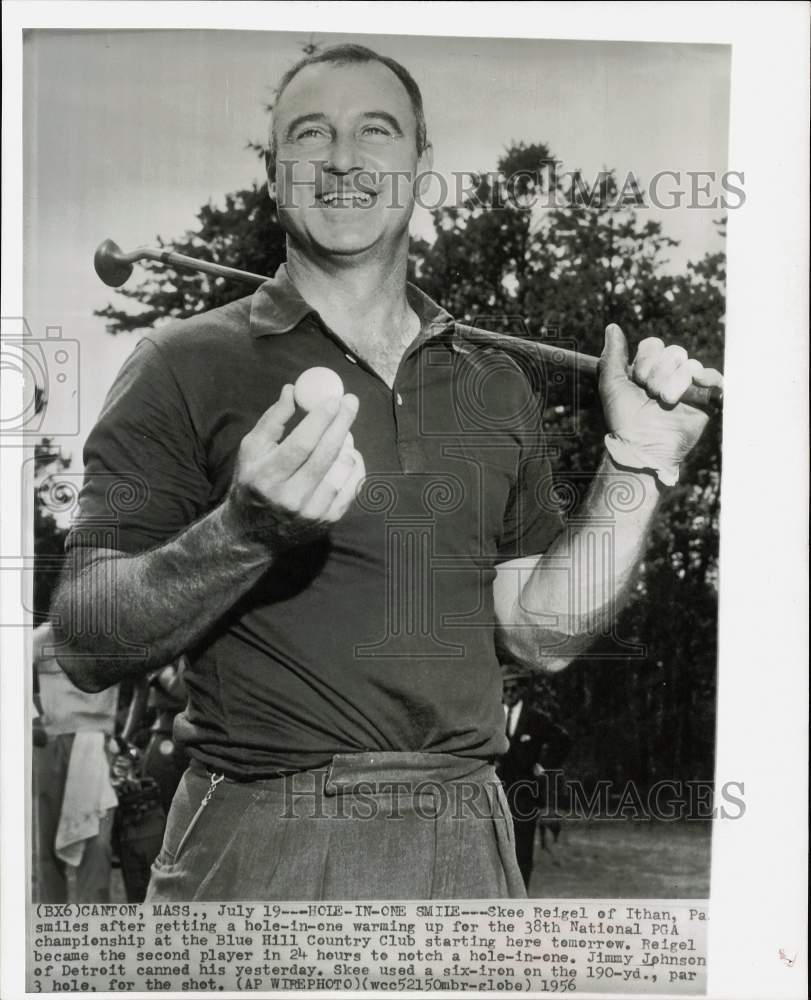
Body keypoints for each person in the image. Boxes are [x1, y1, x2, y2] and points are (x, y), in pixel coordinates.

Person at [52, 44, 722, 901]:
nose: (342, 159)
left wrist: (638, 464)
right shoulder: (178, 364)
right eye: (309, 134)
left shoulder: (493, 383)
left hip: (467, 845)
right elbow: (83, 639)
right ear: (273, 172)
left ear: (419, 166)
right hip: (259, 845)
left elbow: (540, 635)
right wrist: (241, 533)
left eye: (375, 131)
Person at [32, 623, 119, 902]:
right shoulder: (45, 636)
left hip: (98, 744)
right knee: (46, 847)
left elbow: (143, 683)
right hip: (51, 742)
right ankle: (51, 925)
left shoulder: (117, 635)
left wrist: (125, 735)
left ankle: (93, 932)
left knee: (98, 846)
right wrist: (31, 720)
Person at [497, 664, 572, 889]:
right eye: (504, 689)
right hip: (493, 793)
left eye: (513, 689)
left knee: (521, 851)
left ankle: (519, 900)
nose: (508, 694)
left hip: (524, 795)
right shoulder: (489, 717)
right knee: (493, 850)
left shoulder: (535, 719)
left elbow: (564, 741)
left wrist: (544, 765)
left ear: (521, 690)